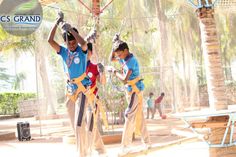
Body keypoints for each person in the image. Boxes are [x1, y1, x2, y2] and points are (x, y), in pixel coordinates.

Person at [48, 14, 91, 157]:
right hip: (70, 92)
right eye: (69, 43)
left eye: (73, 42)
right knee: (76, 125)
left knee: (79, 124)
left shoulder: (82, 51)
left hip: (82, 90)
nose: (72, 45)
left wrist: (71, 30)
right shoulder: (64, 52)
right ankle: (85, 149)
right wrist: (56, 22)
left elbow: (84, 43)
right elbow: (50, 40)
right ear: (66, 43)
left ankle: (82, 154)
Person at [109, 34, 150, 156]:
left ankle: (125, 146)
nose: (118, 56)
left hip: (134, 92)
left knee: (128, 115)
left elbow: (124, 80)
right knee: (139, 117)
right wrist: (114, 43)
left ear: (126, 51)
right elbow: (112, 58)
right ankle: (147, 142)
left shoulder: (131, 61)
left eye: (120, 54)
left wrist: (115, 71)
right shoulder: (124, 58)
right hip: (130, 92)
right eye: (118, 55)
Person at [86, 42, 108, 155]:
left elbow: (103, 82)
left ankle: (88, 151)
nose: (85, 54)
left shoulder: (94, 67)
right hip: (80, 101)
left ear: (90, 53)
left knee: (90, 125)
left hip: (92, 100)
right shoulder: (76, 67)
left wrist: (102, 72)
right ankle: (101, 150)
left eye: (87, 52)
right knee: (90, 127)